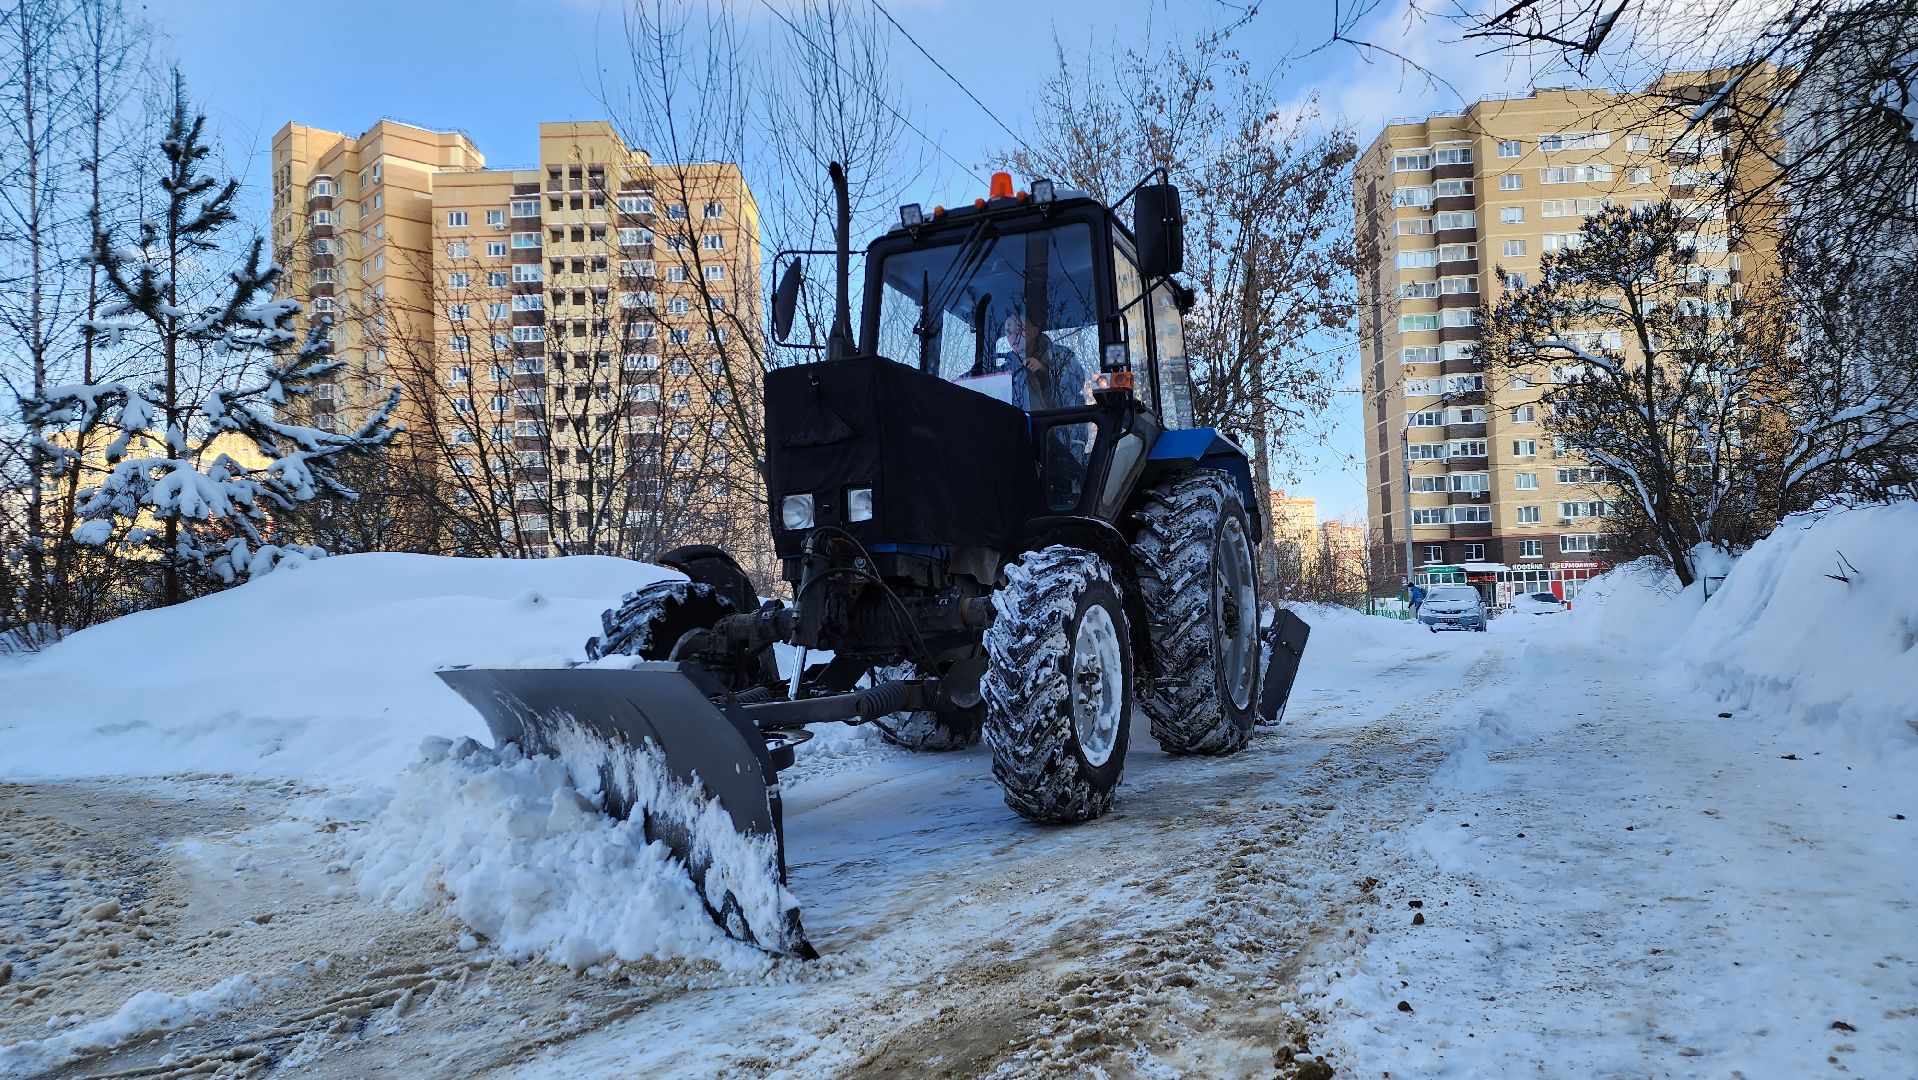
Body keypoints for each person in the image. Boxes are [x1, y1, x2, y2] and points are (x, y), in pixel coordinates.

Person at [994, 313, 1086, 411]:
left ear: (1034, 331)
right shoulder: (1007, 369)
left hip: (1063, 418)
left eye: (1019, 330)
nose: (1014, 336)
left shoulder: (1061, 355)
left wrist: (1045, 370)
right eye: (1009, 332)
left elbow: (1077, 382)